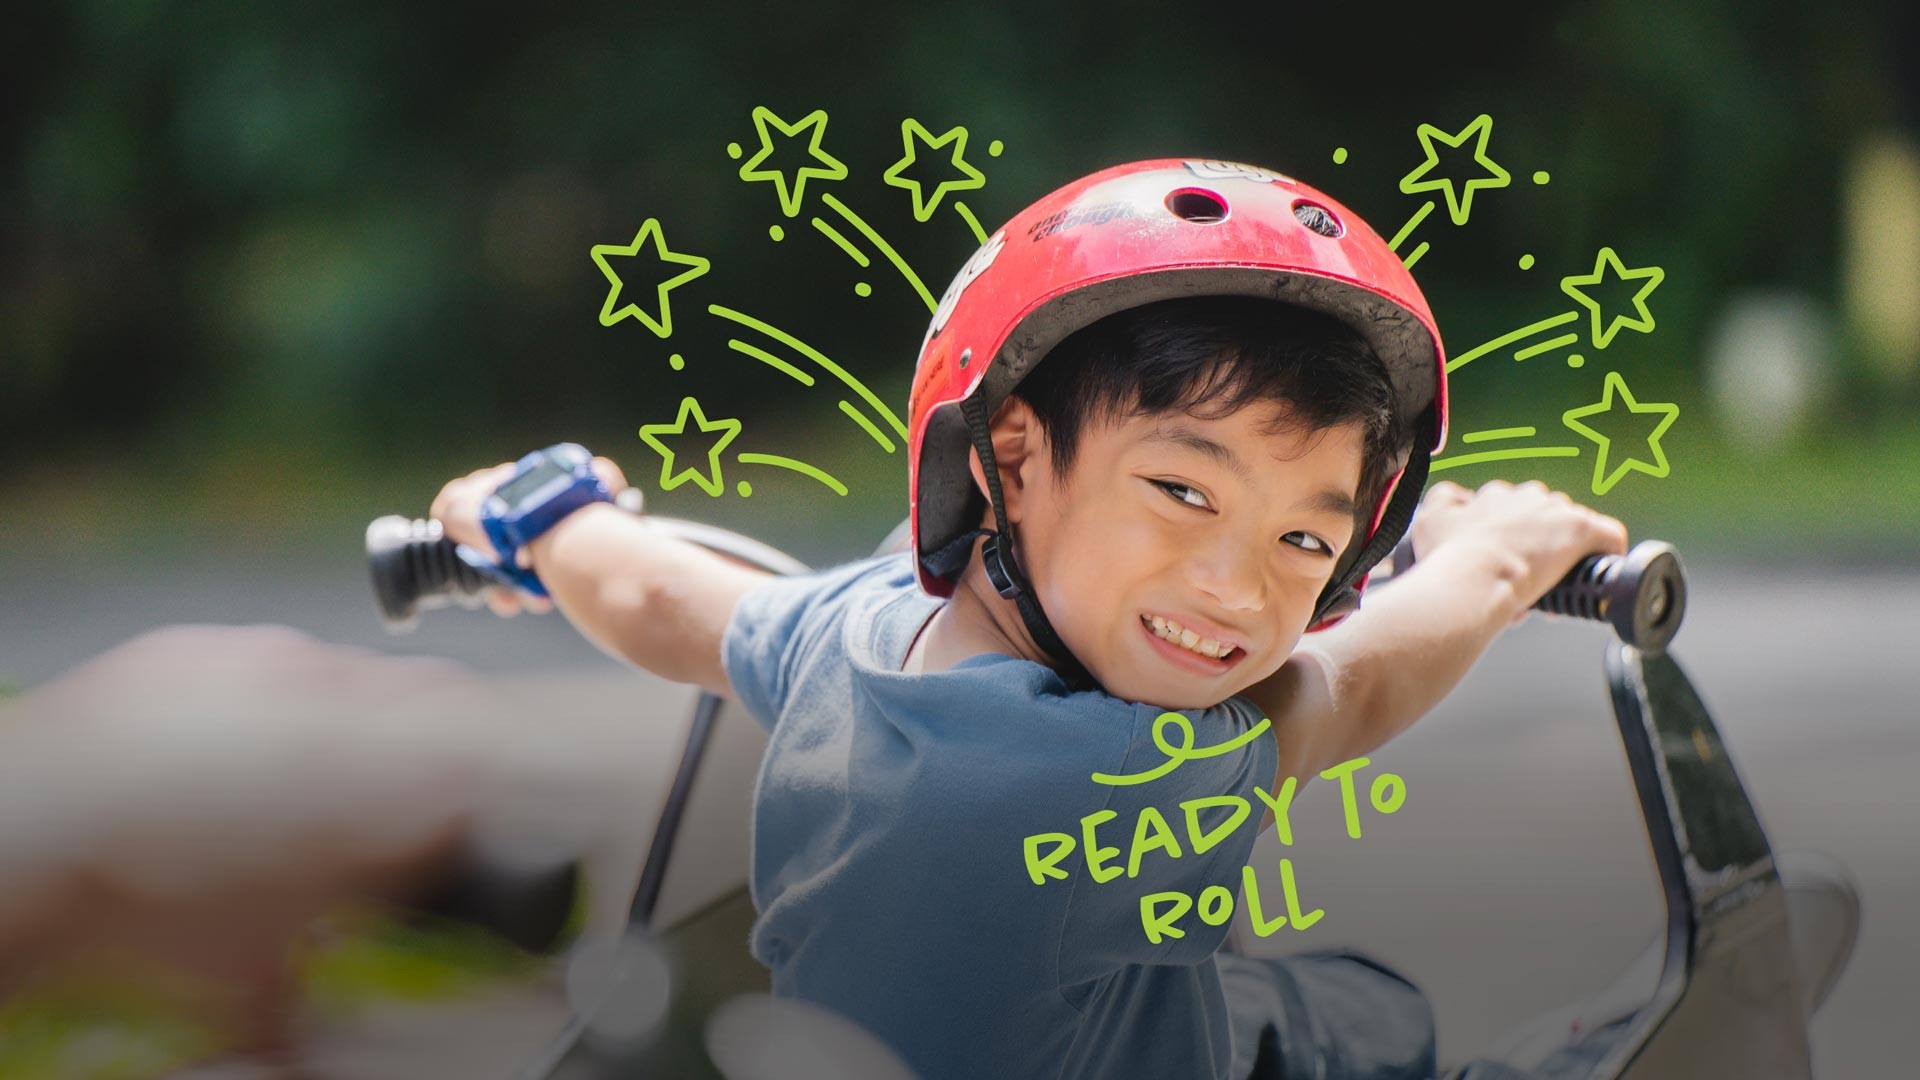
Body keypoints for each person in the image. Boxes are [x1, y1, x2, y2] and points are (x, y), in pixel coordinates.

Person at [430, 159, 1629, 1080]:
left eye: (1303, 540)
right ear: (1011, 454)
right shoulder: (1093, 774)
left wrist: (541, 519)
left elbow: (657, 596)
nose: (1236, 586)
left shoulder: (861, 625)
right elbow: (1346, 688)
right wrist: (1500, 559)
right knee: (1363, 1022)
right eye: (1182, 492)